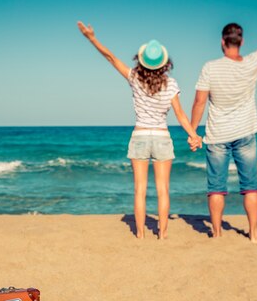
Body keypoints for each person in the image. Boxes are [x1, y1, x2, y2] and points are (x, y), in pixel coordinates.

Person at [78, 21, 201, 239]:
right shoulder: (171, 84)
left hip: (140, 136)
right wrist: (193, 135)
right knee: (163, 190)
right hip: (162, 137)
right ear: (164, 63)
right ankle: (162, 234)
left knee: (140, 190)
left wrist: (91, 38)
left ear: (141, 61)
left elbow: (111, 58)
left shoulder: (134, 78)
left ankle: (141, 234)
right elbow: (181, 115)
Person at [189, 7, 257, 243]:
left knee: (216, 187)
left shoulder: (210, 67)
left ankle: (217, 233)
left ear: (222, 42)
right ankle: (254, 234)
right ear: (241, 41)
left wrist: (193, 131)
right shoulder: (252, 62)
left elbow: (199, 102)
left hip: (217, 135)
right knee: (250, 185)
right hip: (245, 133)